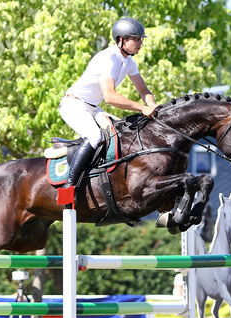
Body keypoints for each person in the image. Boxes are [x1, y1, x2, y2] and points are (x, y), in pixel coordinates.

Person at [58, 17, 159, 200]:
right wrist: (141, 108)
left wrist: (152, 105)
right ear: (121, 39)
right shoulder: (109, 58)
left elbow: (144, 90)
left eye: (141, 39)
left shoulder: (129, 62)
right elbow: (110, 97)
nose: (140, 43)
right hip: (73, 105)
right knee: (95, 136)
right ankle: (69, 186)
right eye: (136, 39)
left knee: (120, 132)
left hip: (92, 107)